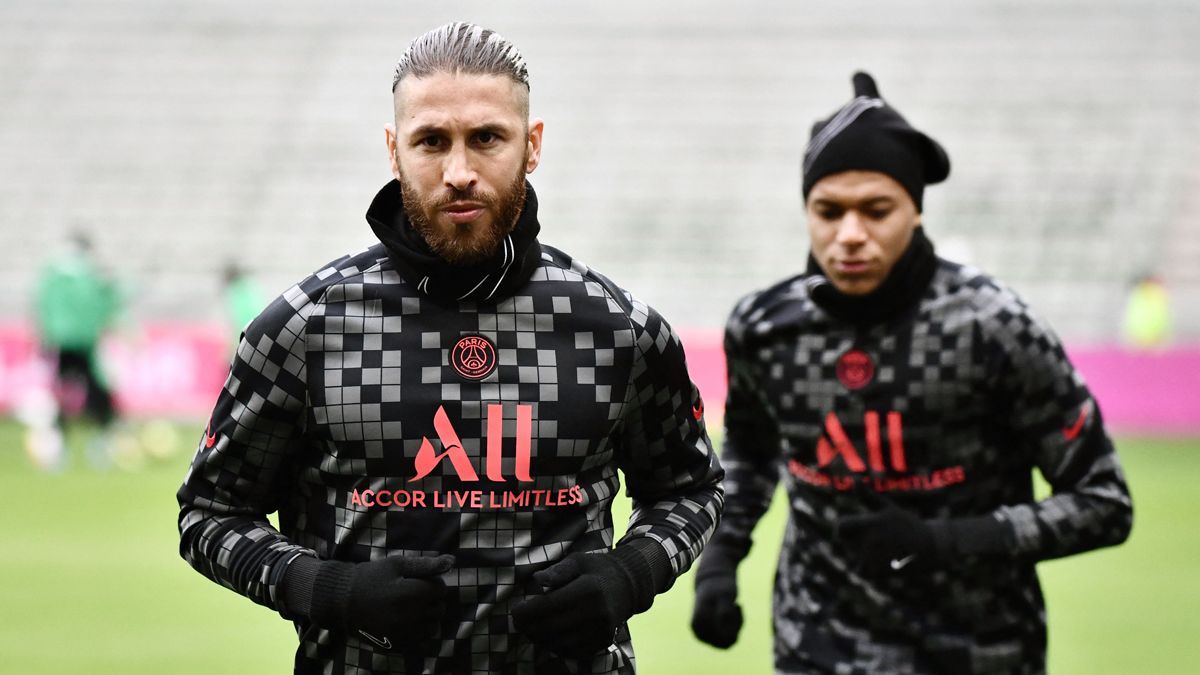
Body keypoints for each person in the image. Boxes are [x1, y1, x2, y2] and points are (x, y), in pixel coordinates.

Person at [177, 22, 723, 675]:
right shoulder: (305, 328)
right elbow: (209, 512)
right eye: (432, 141)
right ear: (393, 150)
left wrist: (626, 576)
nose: (459, 171)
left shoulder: (619, 329)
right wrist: (327, 589)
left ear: (533, 144)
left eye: (487, 138)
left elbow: (692, 489)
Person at [690, 72, 1132, 674]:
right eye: (828, 210)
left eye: (876, 211)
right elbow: (750, 449)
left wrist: (947, 543)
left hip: (977, 651)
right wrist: (720, 562)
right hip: (817, 645)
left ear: (916, 211)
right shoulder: (763, 326)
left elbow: (1104, 503)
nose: (850, 235)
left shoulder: (994, 325)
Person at [31, 230, 122, 467]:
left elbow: (42, 306)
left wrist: (43, 336)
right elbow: (108, 301)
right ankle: (99, 441)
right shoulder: (92, 274)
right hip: (85, 342)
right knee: (96, 392)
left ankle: (57, 445)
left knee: (62, 393)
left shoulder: (54, 273)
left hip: (62, 341)